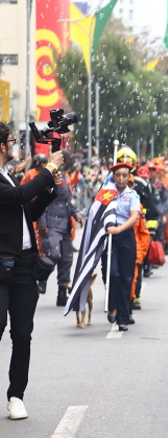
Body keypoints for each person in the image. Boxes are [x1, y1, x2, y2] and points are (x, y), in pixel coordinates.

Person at [0, 124, 62, 420]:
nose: (13, 145)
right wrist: (49, 169)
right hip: (0, 268)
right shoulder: (6, 182)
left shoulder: (8, 177)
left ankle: (16, 396)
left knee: (22, 334)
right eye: (10, 141)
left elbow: (26, 212)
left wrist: (50, 190)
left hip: (24, 266)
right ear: (1, 146)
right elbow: (21, 196)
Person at [37, 150, 80, 306]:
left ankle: (62, 292)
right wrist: (42, 222)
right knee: (53, 254)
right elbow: (43, 200)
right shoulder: (51, 176)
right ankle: (41, 277)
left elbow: (68, 201)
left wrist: (76, 215)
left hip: (65, 225)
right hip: (52, 222)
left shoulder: (65, 177)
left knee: (66, 259)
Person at [104, 163, 140, 332]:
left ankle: (123, 317)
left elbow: (134, 217)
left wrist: (119, 228)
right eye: (118, 175)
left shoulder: (132, 195)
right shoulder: (106, 193)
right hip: (109, 236)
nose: (121, 178)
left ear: (129, 177)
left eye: (124, 175)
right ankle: (112, 305)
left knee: (126, 276)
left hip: (125, 235)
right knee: (112, 273)